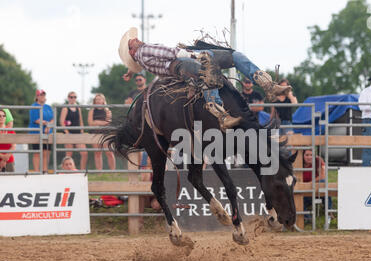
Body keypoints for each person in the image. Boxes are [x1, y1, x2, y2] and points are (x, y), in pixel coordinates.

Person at [119, 27, 291, 131]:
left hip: (178, 66)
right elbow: (169, 53)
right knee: (214, 63)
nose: (135, 38)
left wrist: (130, 71)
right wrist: (194, 54)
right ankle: (221, 112)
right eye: (131, 42)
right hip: (179, 63)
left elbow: (145, 60)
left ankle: (267, 84)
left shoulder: (140, 56)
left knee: (232, 56)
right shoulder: (144, 50)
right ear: (132, 52)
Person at [59, 91, 88, 170]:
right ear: (68, 98)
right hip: (68, 133)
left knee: (84, 153)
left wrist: (82, 132)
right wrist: (67, 133)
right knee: (69, 154)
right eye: (71, 97)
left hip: (77, 133)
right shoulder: (65, 108)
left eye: (75, 97)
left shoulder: (78, 108)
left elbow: (81, 121)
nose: (73, 99)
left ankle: (82, 171)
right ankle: (66, 171)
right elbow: (62, 121)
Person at [88, 93, 116, 171]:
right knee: (97, 153)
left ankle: (113, 172)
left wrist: (96, 121)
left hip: (105, 133)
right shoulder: (92, 110)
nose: (98, 101)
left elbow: (108, 122)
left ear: (103, 100)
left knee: (109, 152)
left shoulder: (107, 110)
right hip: (94, 133)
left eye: (100, 99)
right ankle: (99, 172)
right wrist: (101, 123)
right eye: (96, 99)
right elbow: (90, 123)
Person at [29, 89, 54, 173]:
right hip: (36, 133)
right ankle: (36, 171)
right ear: (37, 97)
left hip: (48, 132)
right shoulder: (34, 106)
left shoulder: (48, 107)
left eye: (44, 95)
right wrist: (47, 124)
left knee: (46, 152)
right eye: (41, 95)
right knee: (37, 153)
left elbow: (53, 119)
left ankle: (45, 171)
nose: (43, 96)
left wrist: (49, 126)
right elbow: (36, 120)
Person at [302, 149, 332, 217]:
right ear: (302, 156)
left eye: (311, 155)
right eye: (307, 155)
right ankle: (307, 218)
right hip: (304, 192)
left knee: (324, 183)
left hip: (315, 189)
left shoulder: (318, 160)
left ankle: (329, 211)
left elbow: (322, 176)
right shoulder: (298, 163)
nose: (309, 157)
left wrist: (310, 183)